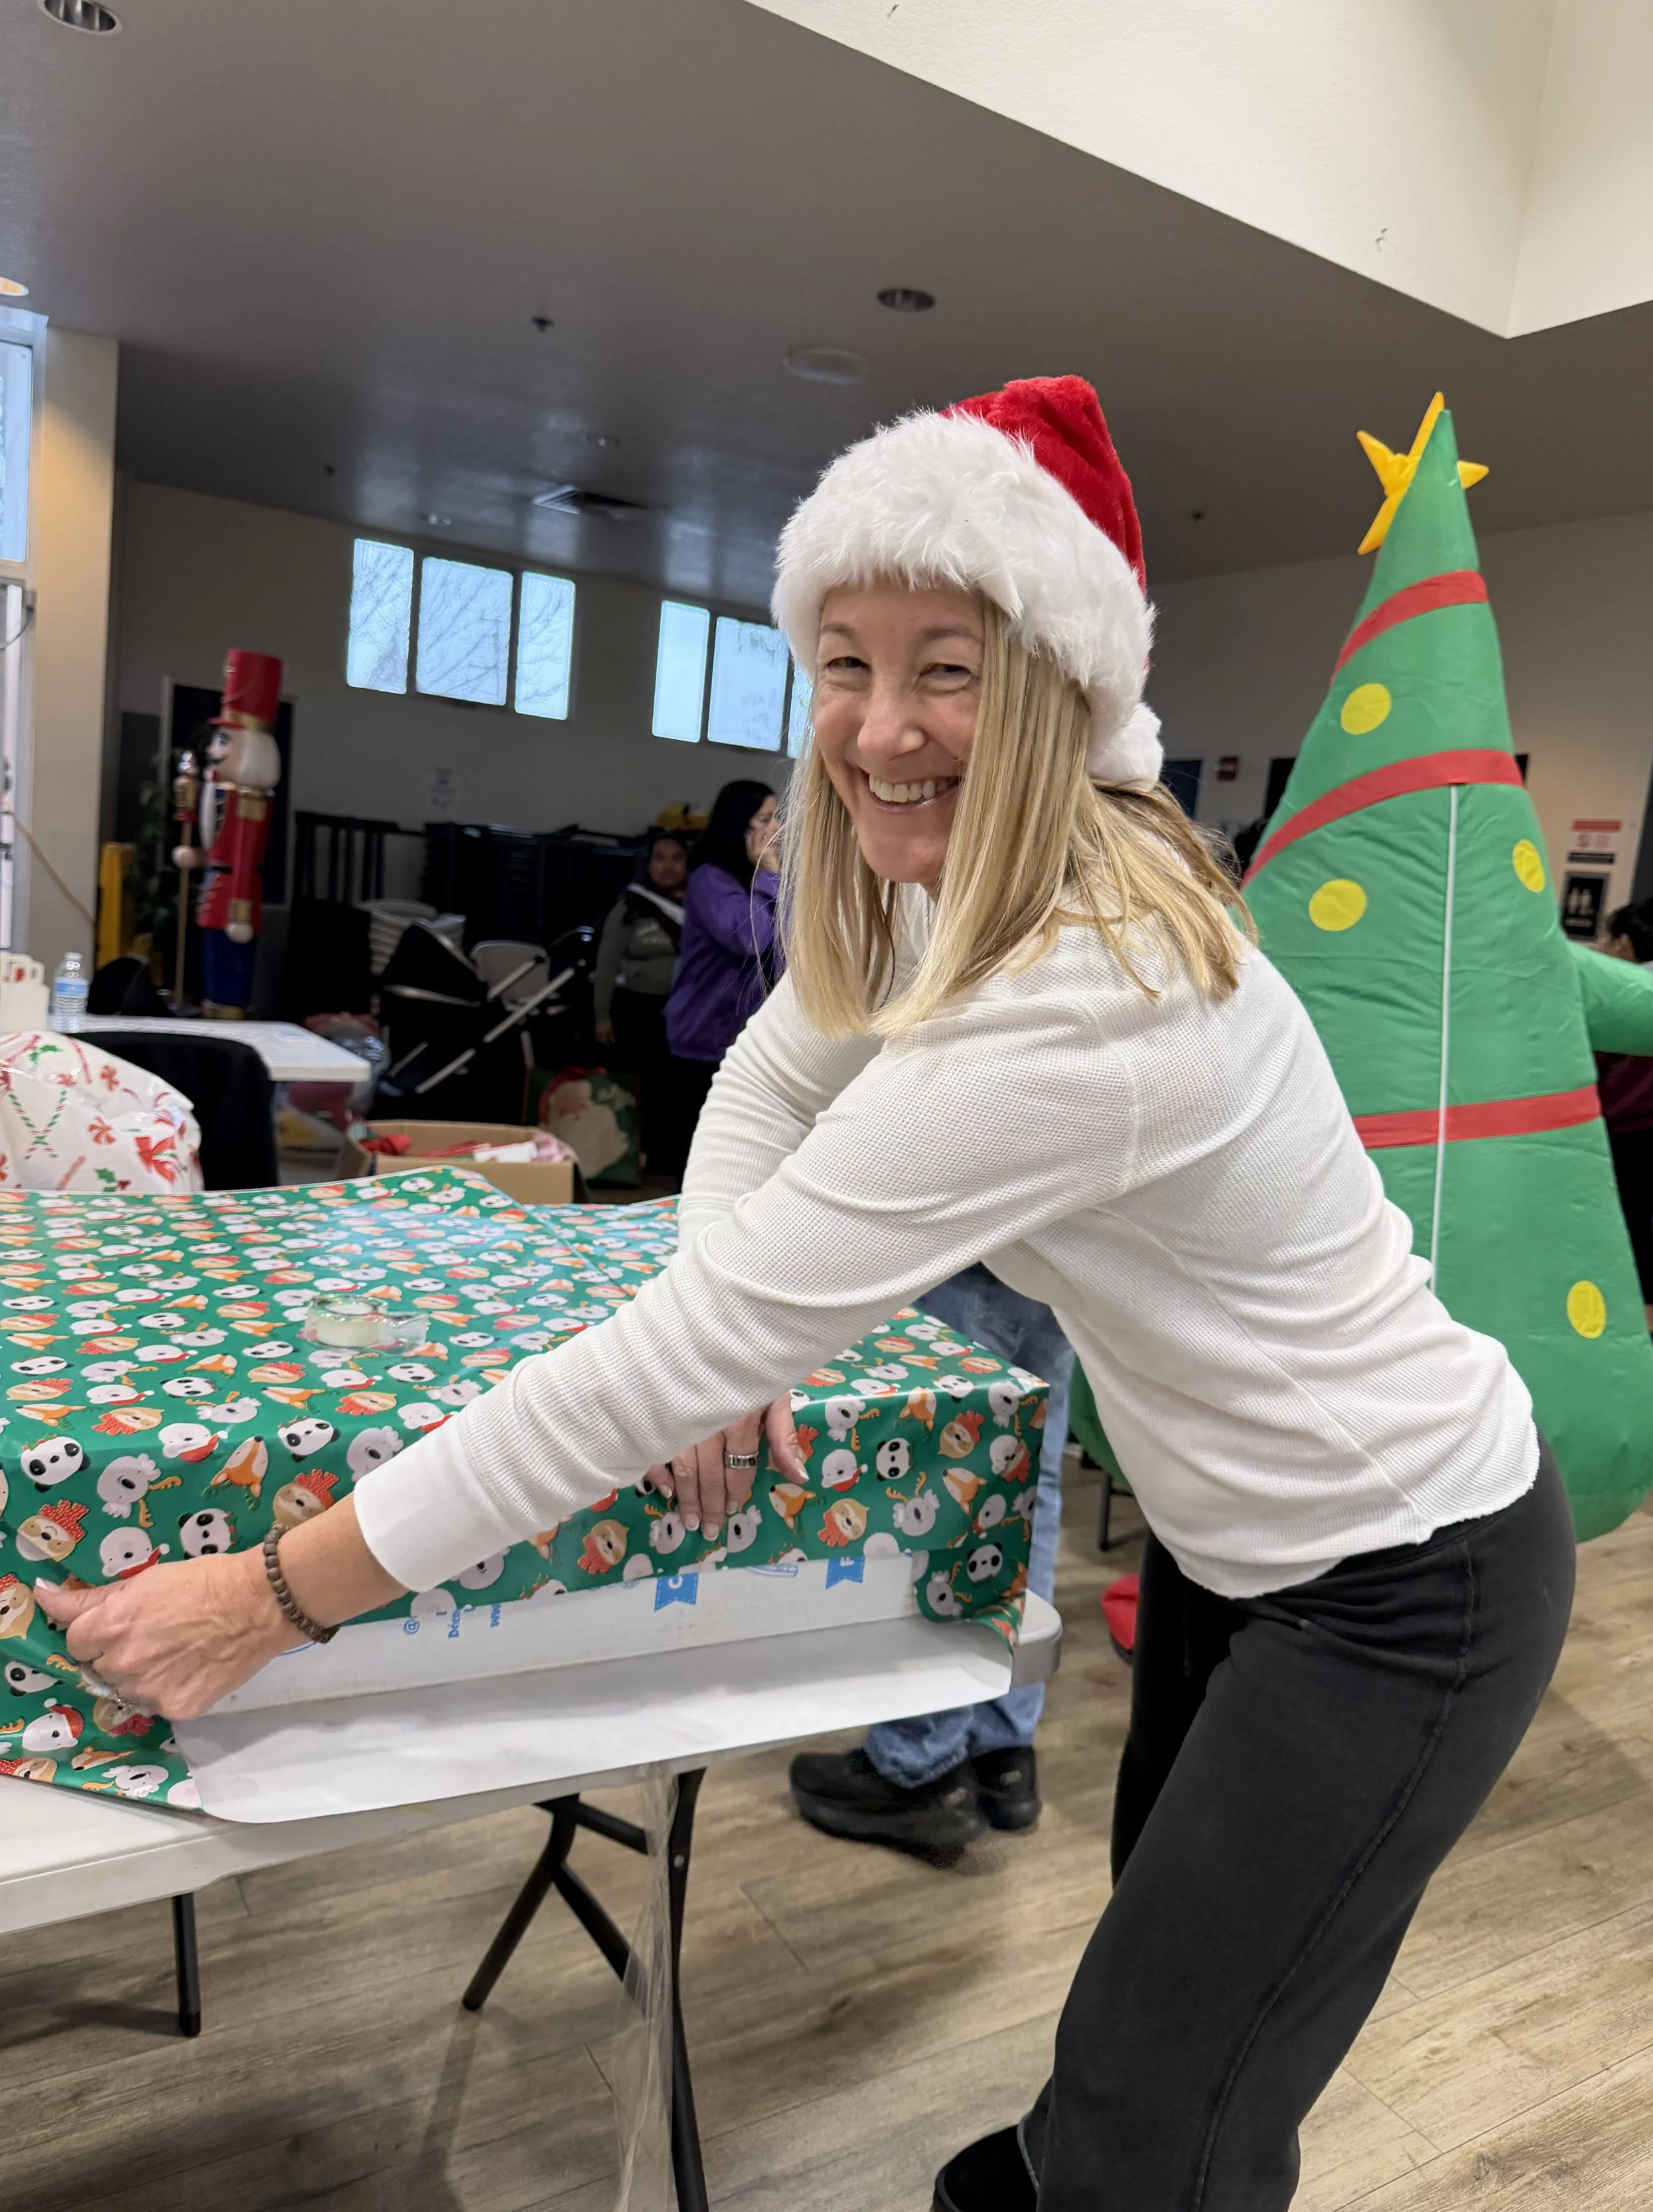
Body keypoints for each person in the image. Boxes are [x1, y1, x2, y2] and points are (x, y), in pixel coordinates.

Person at [42, 376, 1575, 2212]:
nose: (879, 725)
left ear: (1060, 687)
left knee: (1137, 2128)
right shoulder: (954, 894)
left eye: (947, 664)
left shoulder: (1089, 991)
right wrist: (727, 1317)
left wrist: (266, 1596)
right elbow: (771, 1076)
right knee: (1183, 2077)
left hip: (1407, 1581)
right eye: (842, 661)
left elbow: (660, 1364)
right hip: (1234, 1558)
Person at [790, 1265, 1074, 1855]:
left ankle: (919, 1760)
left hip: (973, 1237)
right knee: (1027, 1481)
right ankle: (1003, 1751)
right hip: (1066, 1247)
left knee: (945, 1485)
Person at [662, 778, 780, 1143]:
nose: (775, 829)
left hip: (745, 1033)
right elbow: (752, 938)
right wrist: (769, 873)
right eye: (764, 819)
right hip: (705, 1031)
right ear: (738, 822)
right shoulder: (710, 879)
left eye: (775, 818)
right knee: (703, 1145)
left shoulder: (755, 879)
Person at [593, 828, 689, 1177]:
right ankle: (636, 1157)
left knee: (675, 1088)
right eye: (660, 859)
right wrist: (602, 1016)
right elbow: (606, 966)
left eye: (677, 859)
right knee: (643, 1086)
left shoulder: (699, 905)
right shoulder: (631, 906)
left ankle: (668, 1159)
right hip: (638, 1010)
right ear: (647, 864)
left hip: (683, 1012)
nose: (668, 867)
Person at [1595, 897, 1653, 1337]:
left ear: (1625, 942)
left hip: (1622, 1133)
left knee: (1625, 1230)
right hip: (1648, 1133)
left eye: (1609, 938)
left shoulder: (1621, 995)